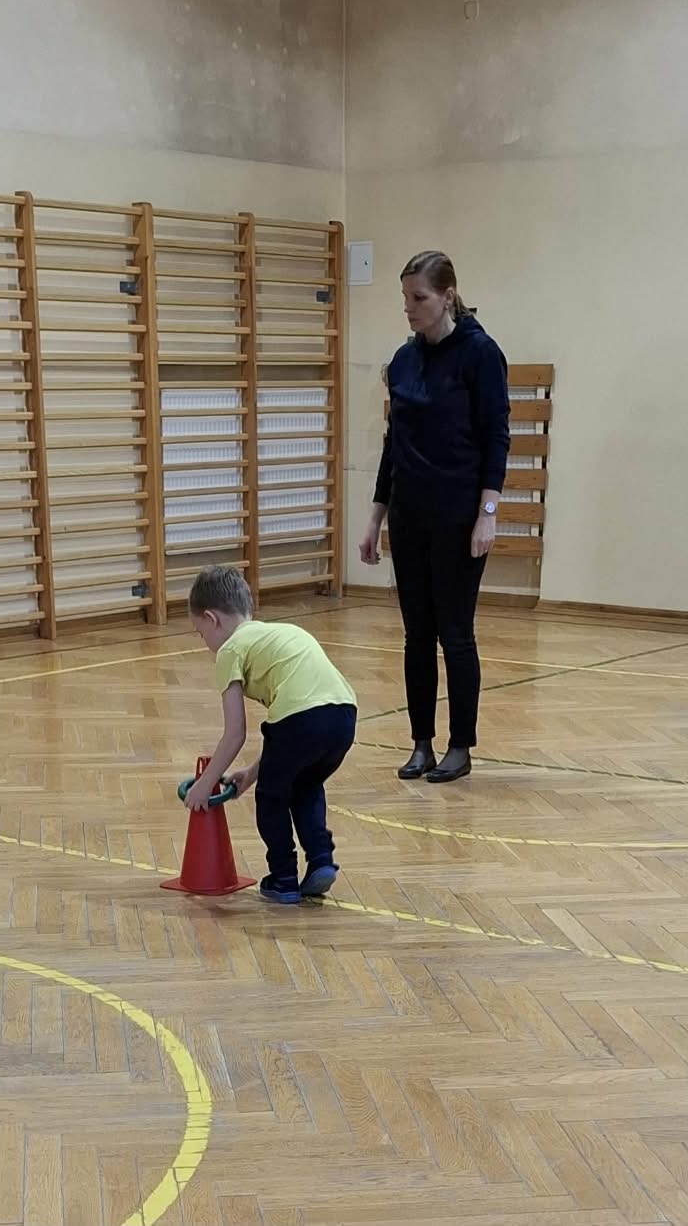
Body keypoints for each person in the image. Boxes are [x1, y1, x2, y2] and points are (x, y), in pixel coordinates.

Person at [357, 249, 510, 784]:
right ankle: (420, 742)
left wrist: (487, 513)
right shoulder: (403, 360)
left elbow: (496, 438)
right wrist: (376, 518)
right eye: (404, 298)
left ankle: (459, 746)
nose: (409, 307)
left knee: (455, 632)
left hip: (458, 517)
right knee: (416, 635)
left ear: (447, 296)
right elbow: (393, 445)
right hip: (409, 515)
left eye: (418, 298)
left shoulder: (480, 354)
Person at [182, 567, 357, 904]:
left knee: (271, 798)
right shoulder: (282, 632)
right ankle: (321, 860)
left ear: (211, 619)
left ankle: (283, 878)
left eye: (200, 634)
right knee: (305, 784)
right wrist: (250, 773)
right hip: (344, 715)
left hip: (300, 720)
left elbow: (235, 734)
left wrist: (206, 783)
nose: (206, 644)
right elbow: (290, 735)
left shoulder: (230, 650)